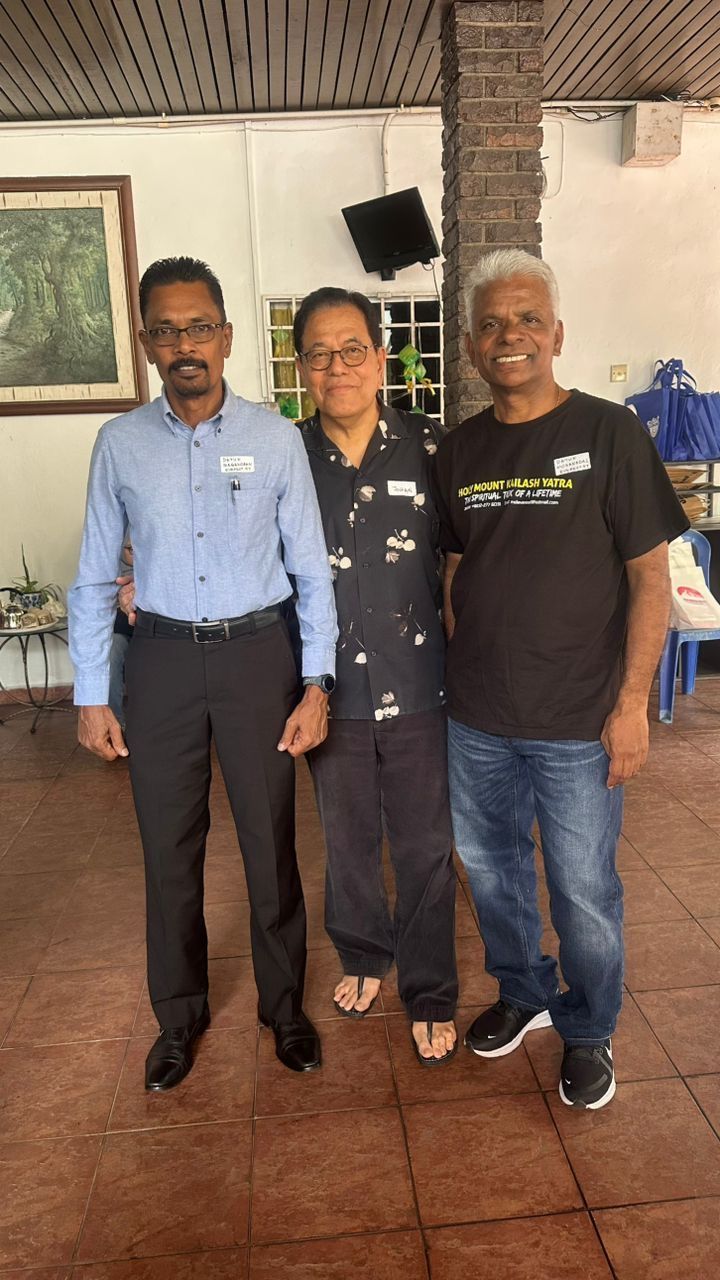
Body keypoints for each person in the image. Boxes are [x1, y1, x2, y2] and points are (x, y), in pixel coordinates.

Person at [68, 256, 338, 1088]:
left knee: (270, 845)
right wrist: (89, 693)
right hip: (161, 663)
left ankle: (284, 1008)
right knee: (169, 850)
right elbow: (89, 573)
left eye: (198, 327)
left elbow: (311, 568)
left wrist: (317, 681)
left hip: (261, 657)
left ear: (225, 335)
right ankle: (178, 1018)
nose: (184, 344)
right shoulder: (119, 445)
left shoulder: (274, 439)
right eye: (166, 329)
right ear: (148, 342)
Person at [432, 248, 688, 1108]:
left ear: (557, 334)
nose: (511, 337)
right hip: (475, 719)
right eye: (493, 325)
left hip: (580, 720)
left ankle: (588, 1028)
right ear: (471, 346)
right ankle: (524, 992)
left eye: (527, 320)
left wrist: (632, 707)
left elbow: (651, 575)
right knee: (491, 869)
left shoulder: (609, 432)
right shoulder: (459, 449)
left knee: (583, 889)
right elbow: (455, 567)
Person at [294, 287, 458, 1065]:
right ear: (302, 368)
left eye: (352, 349)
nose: (338, 367)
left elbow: (467, 563)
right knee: (349, 838)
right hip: (330, 691)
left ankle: (429, 986)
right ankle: (364, 954)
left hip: (423, 683)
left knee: (425, 842)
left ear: (381, 357)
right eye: (320, 354)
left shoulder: (433, 447)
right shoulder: (284, 458)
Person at [107, 541, 134, 728]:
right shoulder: (110, 570)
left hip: (162, 635)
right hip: (123, 632)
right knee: (111, 650)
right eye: (131, 549)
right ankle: (115, 724)